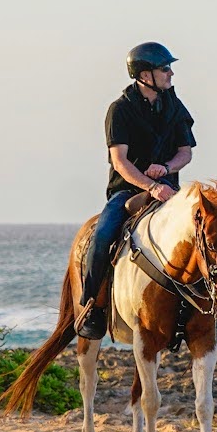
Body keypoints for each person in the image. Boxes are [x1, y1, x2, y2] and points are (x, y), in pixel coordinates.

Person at [75, 42, 196, 339]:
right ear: (145, 75)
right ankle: (93, 306)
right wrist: (151, 185)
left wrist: (166, 169)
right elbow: (119, 161)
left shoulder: (174, 106)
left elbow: (186, 152)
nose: (171, 73)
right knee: (102, 235)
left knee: (205, 232)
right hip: (128, 191)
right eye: (164, 68)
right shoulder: (120, 110)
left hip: (169, 188)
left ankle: (214, 310)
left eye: (169, 67)